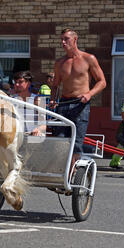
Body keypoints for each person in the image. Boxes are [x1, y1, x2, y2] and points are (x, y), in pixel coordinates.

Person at [50, 28, 107, 170]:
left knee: (76, 142)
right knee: (60, 140)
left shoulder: (88, 58)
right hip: (63, 103)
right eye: (61, 39)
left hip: (80, 105)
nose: (63, 42)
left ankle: (71, 174)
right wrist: (53, 100)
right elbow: (55, 85)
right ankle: (62, 172)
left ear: (75, 40)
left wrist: (89, 94)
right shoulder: (60, 63)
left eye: (66, 39)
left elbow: (102, 82)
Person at [12, 70, 45, 136]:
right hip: (16, 136)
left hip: (34, 136)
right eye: (15, 82)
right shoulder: (11, 100)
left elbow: (43, 125)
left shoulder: (38, 100)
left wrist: (38, 129)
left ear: (28, 83)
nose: (17, 84)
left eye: (20, 82)